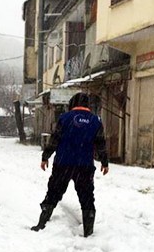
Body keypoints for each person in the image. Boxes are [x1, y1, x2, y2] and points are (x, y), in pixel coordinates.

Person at [31, 92, 109, 237]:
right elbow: (101, 143)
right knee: (86, 198)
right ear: (88, 105)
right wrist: (104, 162)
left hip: (63, 164)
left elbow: (55, 139)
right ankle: (88, 231)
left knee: (53, 193)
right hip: (84, 166)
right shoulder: (95, 121)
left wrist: (45, 156)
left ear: (72, 104)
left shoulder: (64, 118)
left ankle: (41, 224)